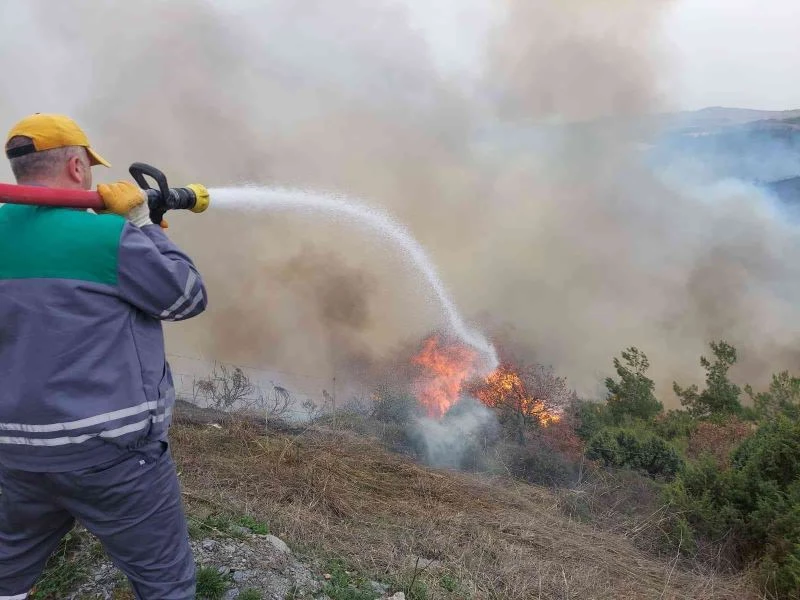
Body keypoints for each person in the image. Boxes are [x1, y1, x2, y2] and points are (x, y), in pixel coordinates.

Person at [0, 113, 207, 599]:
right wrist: (143, 226)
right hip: (111, 454)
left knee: (7, 574)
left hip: (17, 450)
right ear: (77, 166)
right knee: (165, 583)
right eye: (89, 167)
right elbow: (186, 297)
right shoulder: (108, 239)